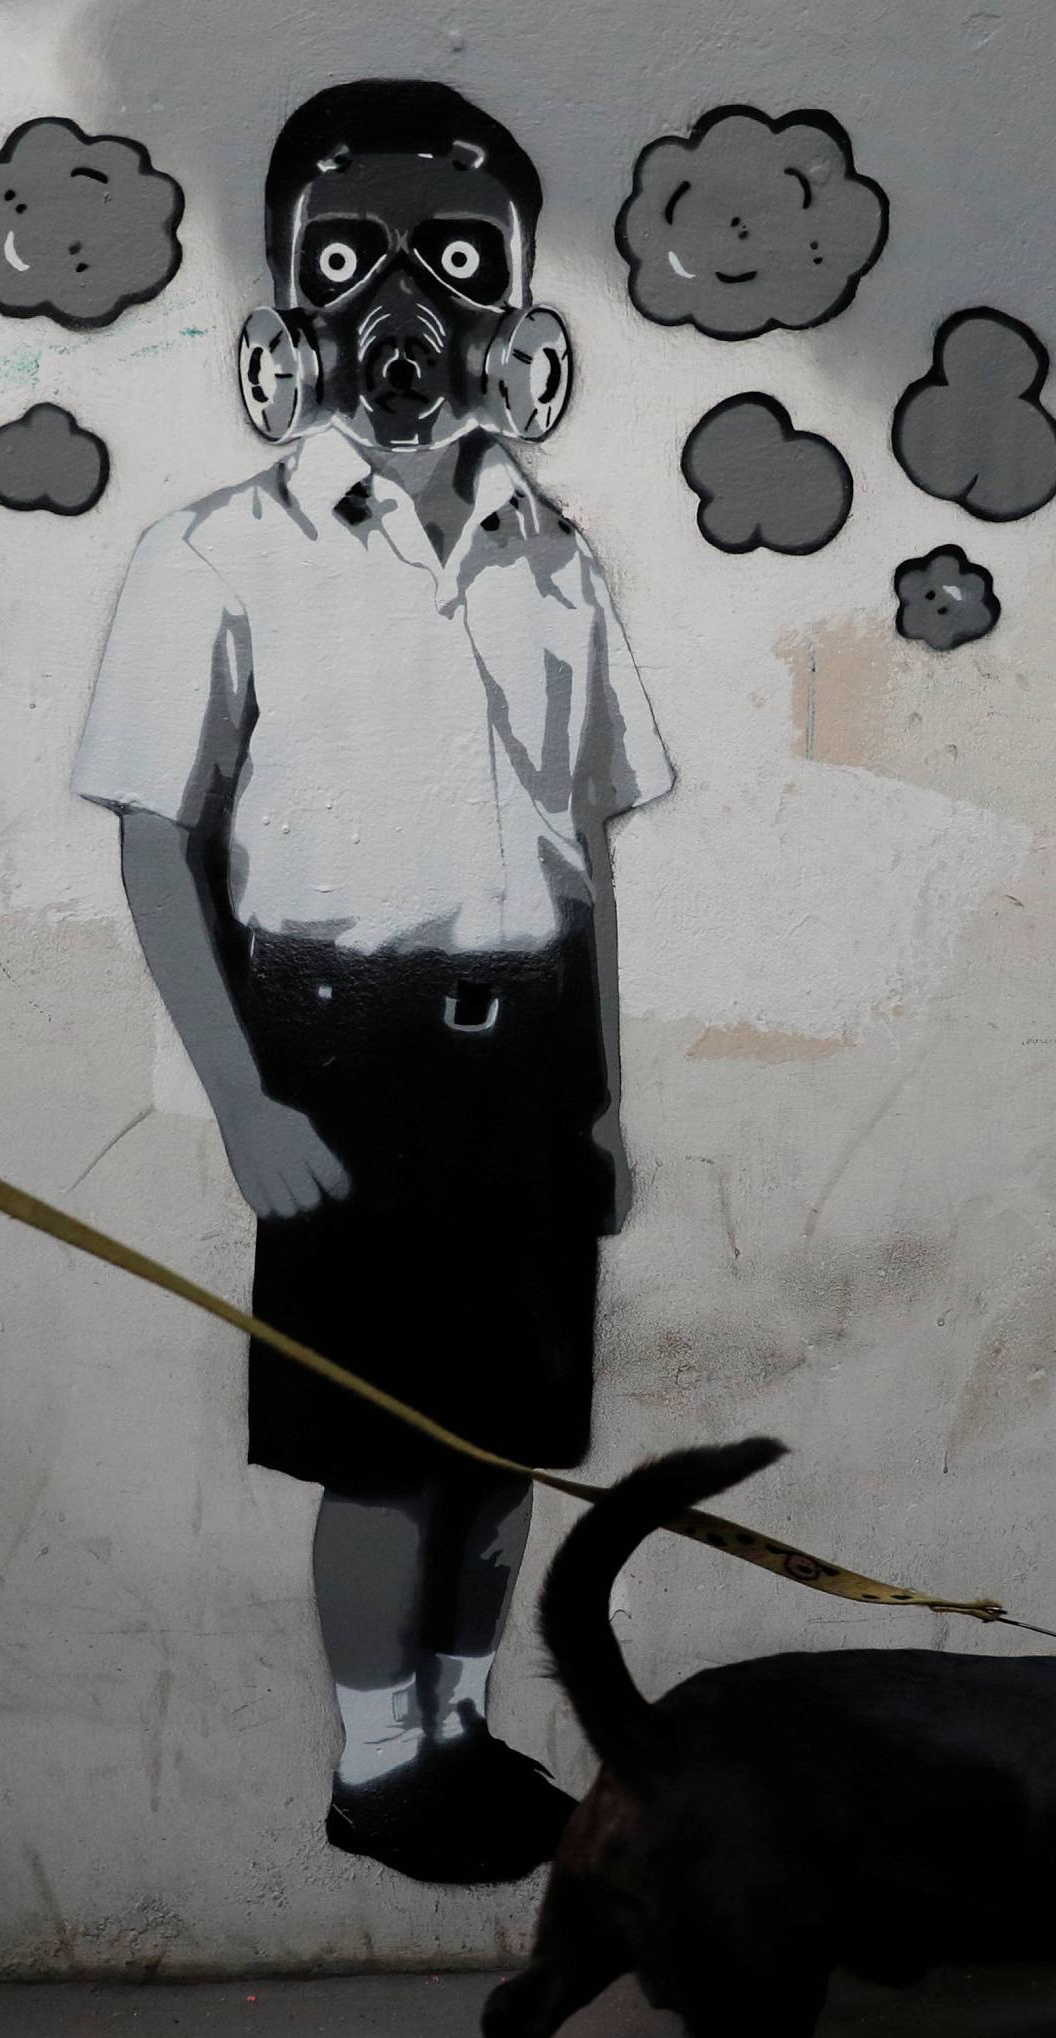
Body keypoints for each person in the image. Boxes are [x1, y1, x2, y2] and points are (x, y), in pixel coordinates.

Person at [73, 81, 674, 1885]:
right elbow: (155, 844)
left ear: (517, 309)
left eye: (454, 259)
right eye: (349, 261)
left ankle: (464, 1728)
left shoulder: (557, 557)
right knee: (381, 1452)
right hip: (343, 1058)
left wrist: (604, 1089)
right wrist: (246, 1099)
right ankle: (372, 1760)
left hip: (530, 1043)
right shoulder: (213, 560)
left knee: (504, 1450)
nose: (400, 310)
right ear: (286, 315)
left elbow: (594, 846)